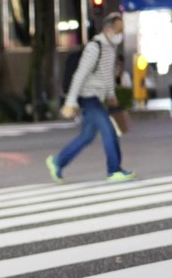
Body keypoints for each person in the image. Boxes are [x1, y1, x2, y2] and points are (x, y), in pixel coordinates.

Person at [47, 12, 135, 184]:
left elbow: (107, 75)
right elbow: (80, 74)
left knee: (86, 136)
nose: (120, 35)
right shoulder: (95, 47)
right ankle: (114, 169)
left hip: (97, 97)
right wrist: (70, 101)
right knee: (109, 130)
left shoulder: (111, 48)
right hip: (88, 97)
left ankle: (57, 162)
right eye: (118, 30)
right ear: (108, 29)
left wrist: (111, 95)